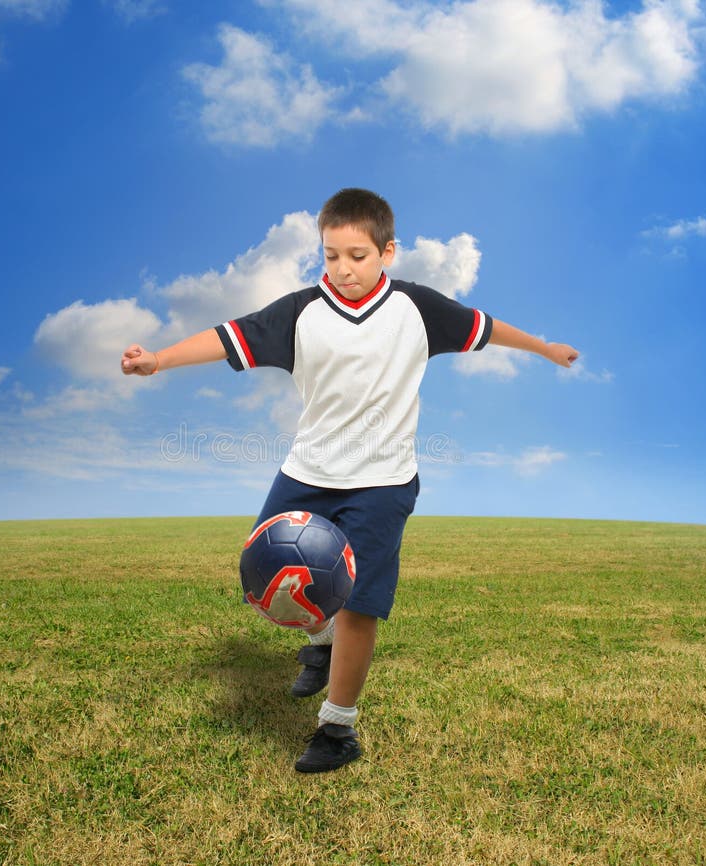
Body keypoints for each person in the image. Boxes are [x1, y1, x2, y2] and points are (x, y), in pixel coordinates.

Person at [121, 188, 579, 773]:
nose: (343, 268)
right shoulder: (300, 311)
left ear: (388, 251)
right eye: (331, 255)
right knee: (267, 578)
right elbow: (227, 335)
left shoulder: (419, 309)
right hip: (306, 473)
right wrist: (158, 358)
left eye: (357, 255)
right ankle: (320, 643)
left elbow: (487, 329)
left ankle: (338, 729)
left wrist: (543, 348)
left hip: (383, 482)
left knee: (359, 604)